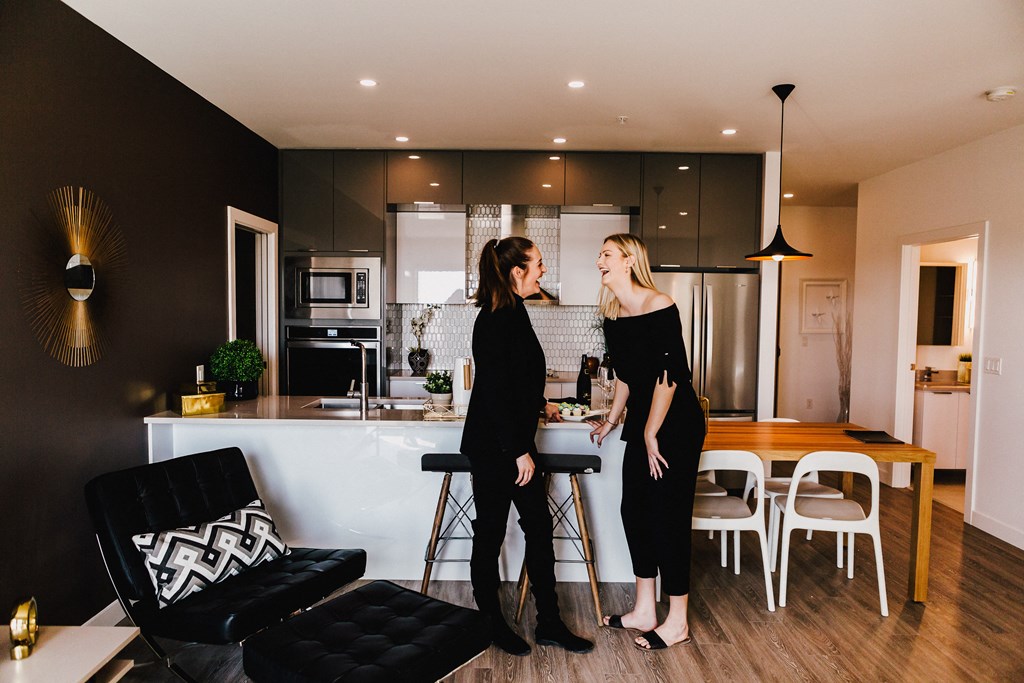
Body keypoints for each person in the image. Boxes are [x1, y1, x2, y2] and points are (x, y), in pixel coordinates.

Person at [460, 236, 593, 656]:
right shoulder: (496, 317)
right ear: (517, 271)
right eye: (538, 264)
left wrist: (542, 404)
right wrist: (519, 450)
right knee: (491, 534)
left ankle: (549, 623)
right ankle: (491, 623)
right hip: (497, 448)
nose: (543, 270)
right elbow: (495, 392)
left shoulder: (515, 313)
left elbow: (517, 379)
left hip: (513, 444)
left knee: (537, 529)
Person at [588, 233, 706, 651]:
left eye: (606, 254)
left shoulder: (660, 306)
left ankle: (677, 622)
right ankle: (644, 609)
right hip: (644, 422)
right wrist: (612, 419)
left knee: (668, 516)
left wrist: (651, 432)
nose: (598, 260)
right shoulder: (613, 314)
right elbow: (624, 375)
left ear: (628, 261)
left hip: (675, 424)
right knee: (634, 510)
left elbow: (668, 377)